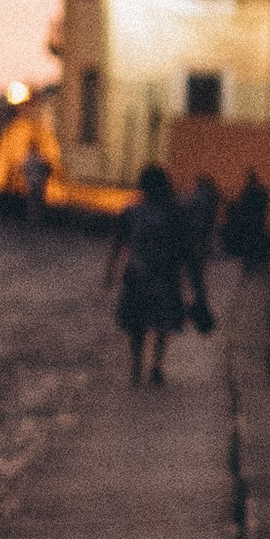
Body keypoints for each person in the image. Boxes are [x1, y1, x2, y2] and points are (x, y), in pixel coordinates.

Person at [106, 163, 192, 386]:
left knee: (137, 324)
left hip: (137, 272)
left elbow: (118, 242)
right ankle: (156, 365)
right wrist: (192, 280)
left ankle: (136, 364)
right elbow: (184, 248)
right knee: (162, 323)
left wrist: (110, 270)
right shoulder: (174, 212)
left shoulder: (131, 212)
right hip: (165, 274)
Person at [181, 173, 222, 336]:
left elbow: (193, 219)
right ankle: (199, 303)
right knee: (196, 276)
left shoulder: (199, 198)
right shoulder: (212, 198)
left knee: (194, 275)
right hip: (200, 243)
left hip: (193, 243)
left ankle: (198, 306)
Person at [221, 170, 270, 274]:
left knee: (249, 248)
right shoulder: (261, 191)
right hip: (258, 224)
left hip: (249, 225)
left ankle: (250, 268)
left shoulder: (248, 192)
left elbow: (242, 207)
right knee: (255, 246)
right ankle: (255, 267)